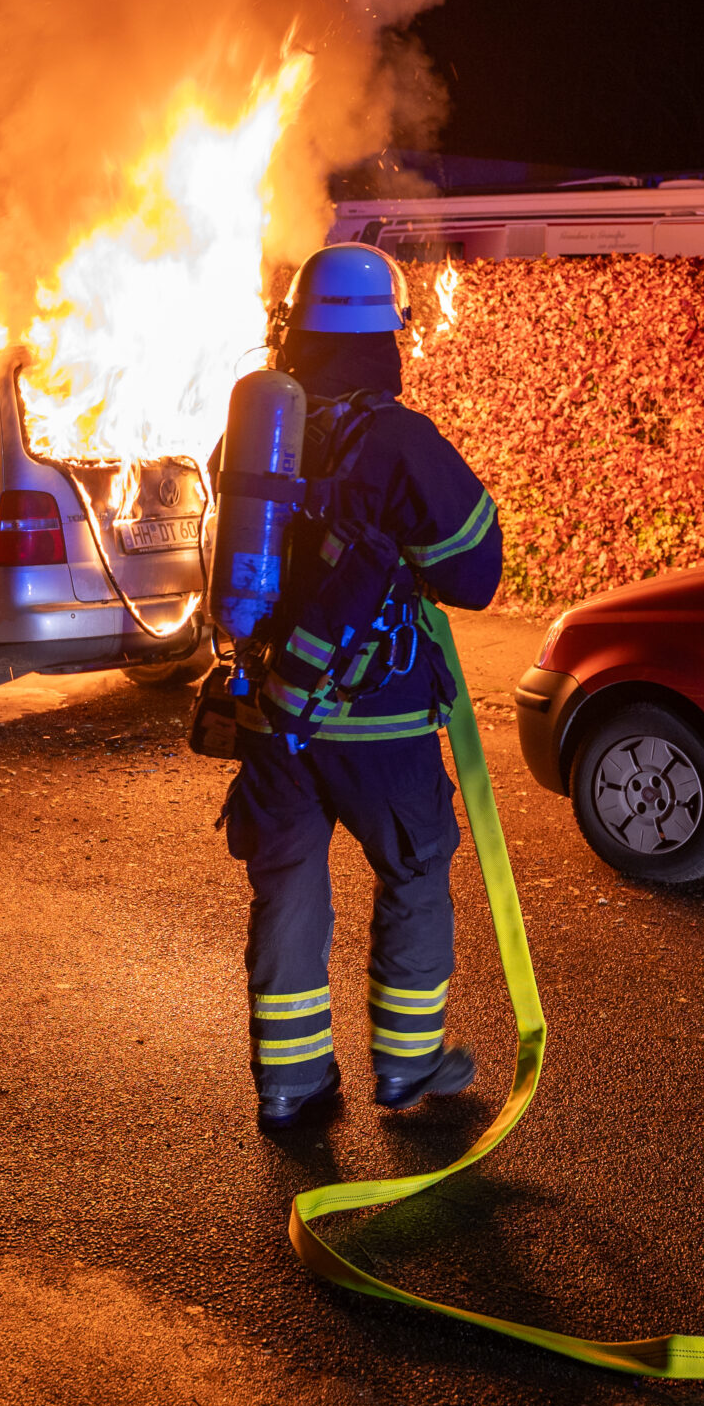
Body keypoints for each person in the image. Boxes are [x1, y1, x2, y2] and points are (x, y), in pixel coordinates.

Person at [221, 244, 504, 1129]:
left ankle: (293, 1087)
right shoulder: (398, 438)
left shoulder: (255, 431)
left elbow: (229, 566)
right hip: (378, 727)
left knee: (289, 895)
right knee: (415, 872)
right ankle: (408, 1069)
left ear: (298, 328)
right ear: (388, 332)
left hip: (274, 717)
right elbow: (476, 571)